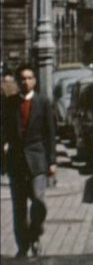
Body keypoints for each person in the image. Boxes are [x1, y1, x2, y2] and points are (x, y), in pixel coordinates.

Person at [0, 63, 57, 257]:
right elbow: (3, 133)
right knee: (19, 207)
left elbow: (50, 133)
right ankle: (22, 246)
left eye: (29, 78)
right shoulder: (9, 104)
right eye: (22, 79)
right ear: (17, 82)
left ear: (35, 80)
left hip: (37, 162)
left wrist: (52, 161)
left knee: (38, 202)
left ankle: (35, 235)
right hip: (16, 163)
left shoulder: (43, 103)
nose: (25, 82)